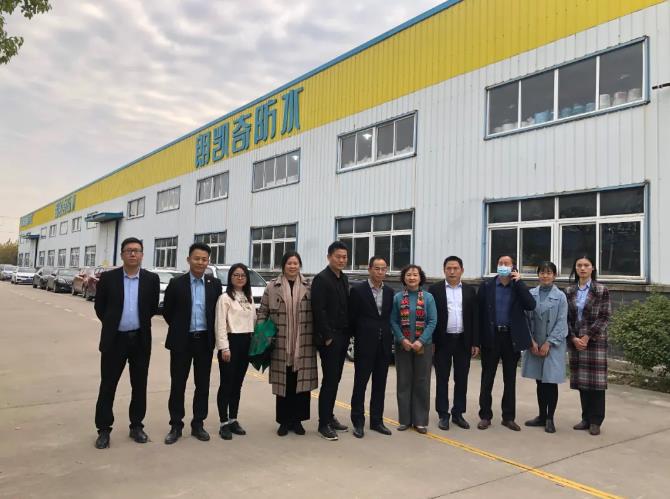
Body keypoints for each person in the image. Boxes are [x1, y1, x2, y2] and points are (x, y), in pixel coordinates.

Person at [93, 237, 160, 449]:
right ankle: (104, 429)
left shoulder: (151, 279)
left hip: (140, 339)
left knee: (139, 385)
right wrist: (113, 324)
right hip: (115, 340)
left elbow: (151, 308)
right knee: (108, 385)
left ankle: (136, 426)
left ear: (142, 255)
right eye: (129, 250)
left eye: (137, 250)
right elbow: (100, 307)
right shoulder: (108, 278)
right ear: (122, 254)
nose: (133, 254)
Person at [162, 243, 222, 444]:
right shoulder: (176, 283)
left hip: (204, 341)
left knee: (202, 385)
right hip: (182, 341)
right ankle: (175, 425)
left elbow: (216, 312)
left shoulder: (214, 284)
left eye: (204, 259)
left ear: (208, 261)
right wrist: (180, 328)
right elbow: (168, 312)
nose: (200, 262)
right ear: (189, 260)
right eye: (197, 258)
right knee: (178, 384)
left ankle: (198, 424)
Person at [257, 251, 317, 436]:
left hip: (303, 342)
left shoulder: (309, 286)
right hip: (280, 342)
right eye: (289, 263)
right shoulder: (272, 287)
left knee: (301, 384)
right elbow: (263, 312)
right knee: (283, 384)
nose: (292, 266)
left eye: (296, 263)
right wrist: (262, 334)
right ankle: (284, 421)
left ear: (300, 265)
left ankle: (297, 421)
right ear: (283, 265)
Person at [477, 255, 536, 431]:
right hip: (491, 337)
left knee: (509, 380)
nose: (503, 265)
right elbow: (478, 313)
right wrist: (477, 340)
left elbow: (531, 305)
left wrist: (519, 282)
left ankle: (508, 417)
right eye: (500, 263)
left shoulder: (517, 287)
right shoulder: (487, 286)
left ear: (513, 267)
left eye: (506, 264)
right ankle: (485, 416)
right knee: (487, 379)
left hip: (511, 338)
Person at [428, 256, 479, 431]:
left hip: (463, 341)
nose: (452, 271)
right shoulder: (435, 290)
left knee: (461, 379)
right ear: (444, 270)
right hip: (442, 341)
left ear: (462, 270)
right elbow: (430, 316)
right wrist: (432, 341)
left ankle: (458, 413)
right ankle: (443, 414)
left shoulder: (470, 291)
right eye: (449, 268)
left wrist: (475, 342)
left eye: (455, 268)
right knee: (442, 378)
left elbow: (474, 318)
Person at [349, 256, 395, 438]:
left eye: (383, 268)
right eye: (377, 268)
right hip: (364, 345)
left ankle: (377, 421)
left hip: (384, 345)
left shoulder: (390, 292)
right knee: (360, 385)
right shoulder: (358, 291)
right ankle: (358, 422)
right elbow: (352, 318)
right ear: (369, 269)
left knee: (380, 384)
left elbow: (389, 318)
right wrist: (360, 336)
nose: (380, 272)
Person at [565, 256, 611, 436]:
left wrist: (587, 336)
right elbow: (566, 317)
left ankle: (596, 420)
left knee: (596, 383)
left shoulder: (601, 289)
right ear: (575, 269)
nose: (582, 268)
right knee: (582, 382)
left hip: (595, 341)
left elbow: (605, 316)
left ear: (592, 268)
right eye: (579, 265)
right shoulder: (569, 291)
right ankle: (585, 418)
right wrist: (573, 337)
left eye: (586, 265)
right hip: (576, 341)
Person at [521, 261, 568, 434]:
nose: (545, 276)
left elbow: (562, 322)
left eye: (549, 273)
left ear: (554, 276)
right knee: (539, 381)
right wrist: (531, 342)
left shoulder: (560, 297)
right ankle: (541, 415)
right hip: (535, 343)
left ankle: (550, 418)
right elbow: (525, 319)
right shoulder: (530, 294)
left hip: (552, 345)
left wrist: (549, 343)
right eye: (542, 272)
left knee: (550, 382)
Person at [391, 264, 437, 434]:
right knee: (403, 382)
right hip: (403, 346)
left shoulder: (428, 298)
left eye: (415, 275)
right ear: (403, 278)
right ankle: (404, 420)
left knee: (422, 383)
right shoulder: (397, 298)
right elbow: (393, 321)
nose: (412, 278)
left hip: (423, 347)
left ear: (420, 277)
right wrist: (401, 339)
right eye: (408, 275)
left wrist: (421, 340)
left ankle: (420, 421)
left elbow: (432, 321)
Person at [311, 241, 351, 441]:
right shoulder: (321, 279)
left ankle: (329, 415)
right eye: (338, 256)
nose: (342, 260)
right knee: (329, 380)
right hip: (330, 339)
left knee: (336, 379)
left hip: (343, 336)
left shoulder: (343, 278)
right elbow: (318, 310)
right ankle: (323, 423)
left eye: (344, 257)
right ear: (329, 257)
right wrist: (327, 337)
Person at [214, 264, 256, 440]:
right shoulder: (225, 298)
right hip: (231, 343)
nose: (240, 278)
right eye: (236, 275)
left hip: (246, 343)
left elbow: (253, 321)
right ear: (230, 277)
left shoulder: (248, 298)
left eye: (243, 275)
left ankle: (233, 419)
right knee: (227, 384)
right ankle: (223, 422)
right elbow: (220, 324)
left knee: (237, 384)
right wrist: (224, 347)